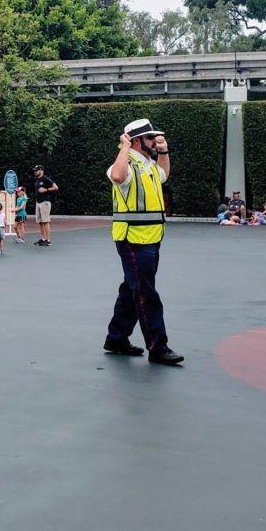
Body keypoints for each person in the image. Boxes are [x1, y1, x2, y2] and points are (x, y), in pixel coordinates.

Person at [104, 118, 184, 366]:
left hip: (151, 237)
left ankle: (116, 339)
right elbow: (117, 176)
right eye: (149, 138)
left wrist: (163, 151)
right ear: (136, 140)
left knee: (132, 289)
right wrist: (124, 147)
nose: (154, 140)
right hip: (133, 238)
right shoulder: (126, 163)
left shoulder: (148, 164)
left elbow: (164, 175)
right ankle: (158, 347)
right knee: (145, 292)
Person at [33, 164, 59, 246]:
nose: (35, 172)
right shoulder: (37, 179)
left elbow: (56, 187)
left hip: (45, 202)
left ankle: (48, 240)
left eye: (36, 170)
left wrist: (46, 189)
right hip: (38, 202)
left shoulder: (46, 179)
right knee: (40, 222)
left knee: (45, 221)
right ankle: (43, 238)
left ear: (41, 170)